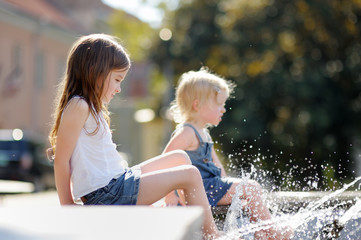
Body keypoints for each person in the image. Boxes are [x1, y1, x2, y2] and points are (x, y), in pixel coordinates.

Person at [48, 34, 226, 240]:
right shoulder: (79, 106)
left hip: (117, 182)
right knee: (190, 174)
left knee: (179, 157)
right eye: (116, 79)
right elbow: (61, 160)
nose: (119, 88)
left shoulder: (92, 108)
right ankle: (211, 236)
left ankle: (175, 210)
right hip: (108, 193)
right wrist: (68, 206)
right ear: (94, 72)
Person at [163, 67, 293, 240]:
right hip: (201, 190)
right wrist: (169, 194)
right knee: (251, 187)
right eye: (219, 104)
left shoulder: (203, 133)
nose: (223, 109)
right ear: (197, 105)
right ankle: (269, 232)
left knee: (249, 192)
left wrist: (231, 189)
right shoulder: (187, 132)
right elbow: (165, 160)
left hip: (211, 187)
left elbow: (218, 167)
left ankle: (261, 232)